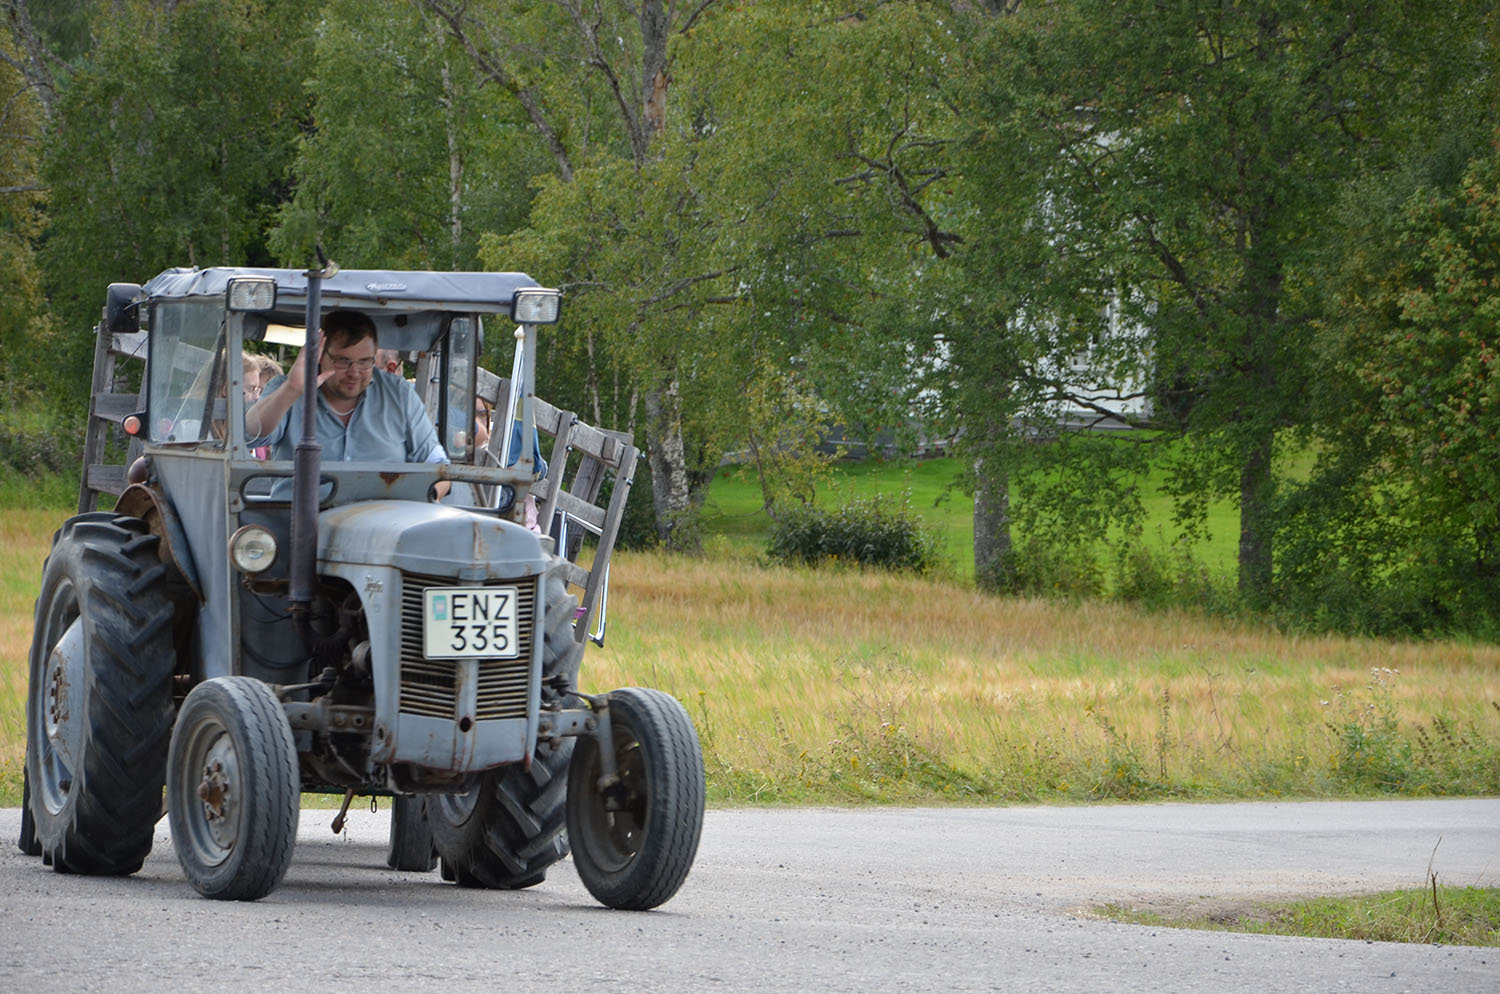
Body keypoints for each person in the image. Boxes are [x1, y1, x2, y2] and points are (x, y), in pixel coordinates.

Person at [246, 309, 450, 496]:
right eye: (343, 361)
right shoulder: (287, 388)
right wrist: (291, 390)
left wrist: (428, 497)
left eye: (364, 362)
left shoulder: (399, 394)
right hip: (295, 526)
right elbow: (250, 435)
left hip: (382, 526)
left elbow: (438, 465)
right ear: (319, 355)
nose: (354, 373)